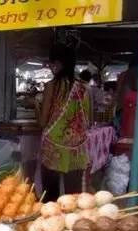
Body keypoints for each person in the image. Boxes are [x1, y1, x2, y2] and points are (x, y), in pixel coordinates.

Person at [39, 45, 90, 201]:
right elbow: (88, 120)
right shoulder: (83, 88)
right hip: (77, 149)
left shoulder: (52, 87)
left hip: (52, 147)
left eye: (52, 63)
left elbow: (42, 122)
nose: (50, 67)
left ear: (59, 63)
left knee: (50, 199)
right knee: (74, 199)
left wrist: (35, 104)